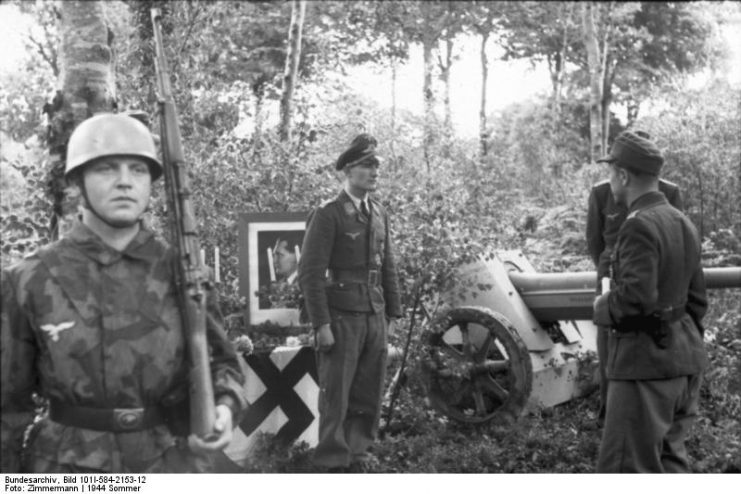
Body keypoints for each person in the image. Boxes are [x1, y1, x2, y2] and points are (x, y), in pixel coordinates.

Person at [0, 113, 248, 473]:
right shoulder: (30, 279)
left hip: (168, 461)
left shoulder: (184, 272)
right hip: (66, 468)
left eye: (138, 169)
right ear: (76, 183)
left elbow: (223, 365)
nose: (124, 182)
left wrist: (224, 407)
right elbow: (7, 405)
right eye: (105, 169)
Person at [592, 130, 708, 472]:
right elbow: (697, 300)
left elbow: (635, 300)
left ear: (623, 175)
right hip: (684, 363)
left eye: (611, 172)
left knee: (627, 467)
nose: (609, 180)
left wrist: (602, 307)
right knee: (671, 463)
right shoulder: (682, 221)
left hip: (645, 367)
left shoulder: (637, 225)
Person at [298, 133, 402, 472]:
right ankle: (331, 460)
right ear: (347, 170)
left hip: (374, 313)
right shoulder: (328, 214)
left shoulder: (379, 213)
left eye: (376, 166)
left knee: (369, 391)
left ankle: (358, 453)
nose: (374, 172)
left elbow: (387, 265)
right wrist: (321, 324)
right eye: (367, 165)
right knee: (337, 394)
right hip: (341, 317)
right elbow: (310, 274)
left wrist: (393, 314)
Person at [585, 130, 683, 428]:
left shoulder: (669, 192)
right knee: (607, 345)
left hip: (646, 276)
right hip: (611, 275)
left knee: (641, 338)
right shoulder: (601, 192)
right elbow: (594, 241)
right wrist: (609, 271)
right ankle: (608, 410)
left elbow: (673, 241)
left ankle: (636, 413)